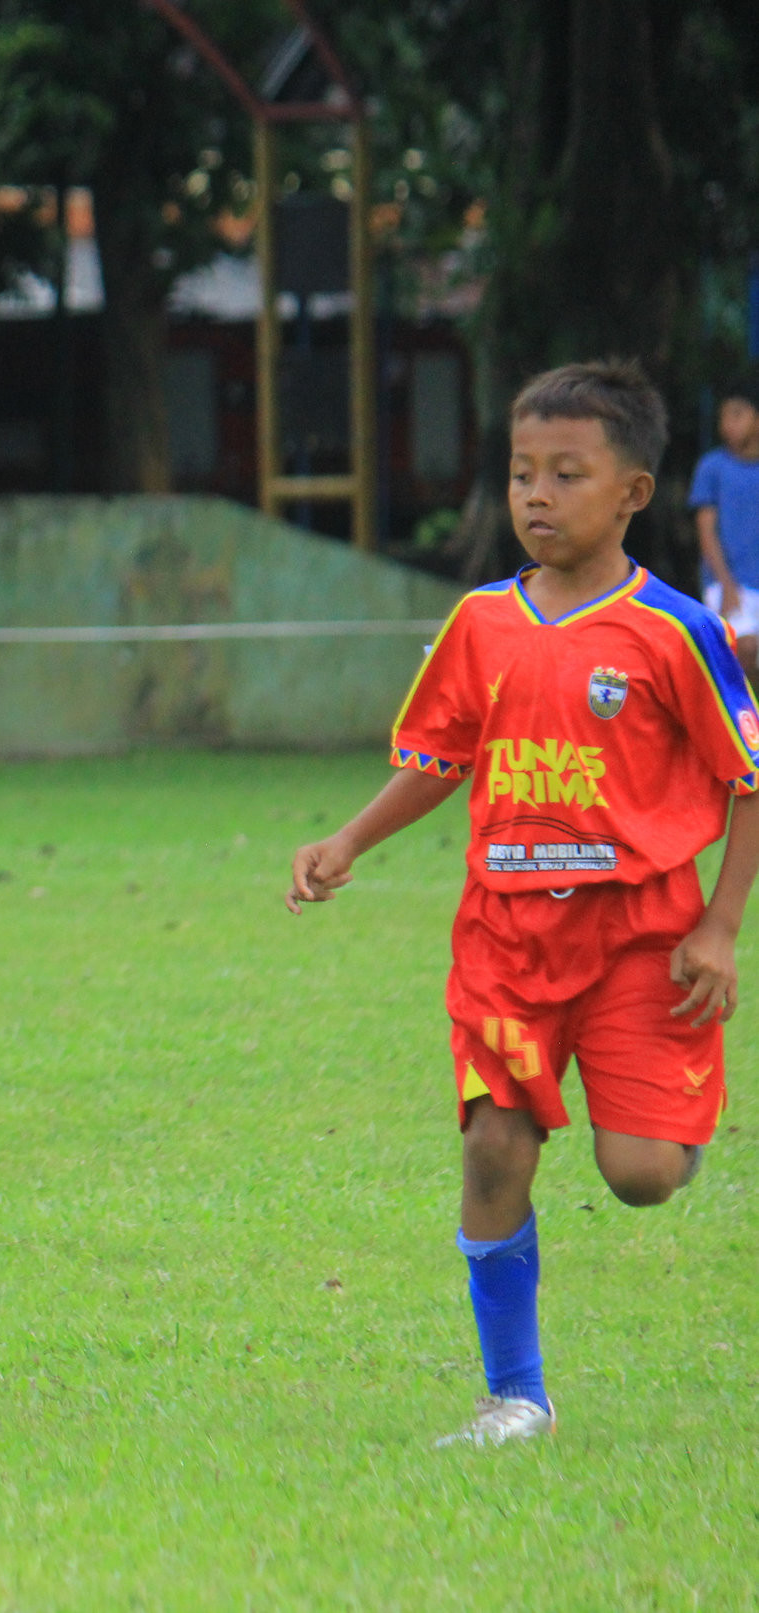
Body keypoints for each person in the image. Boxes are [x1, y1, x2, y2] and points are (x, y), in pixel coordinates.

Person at [286, 360, 759, 1449]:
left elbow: (747, 778)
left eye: (565, 473)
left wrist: (720, 927)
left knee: (638, 1176)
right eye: (519, 473)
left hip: (643, 941)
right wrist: (348, 837)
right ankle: (515, 1396)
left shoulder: (675, 631)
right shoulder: (480, 623)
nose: (535, 495)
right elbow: (440, 757)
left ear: (632, 492)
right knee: (495, 1146)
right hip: (503, 935)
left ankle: (669, 1132)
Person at [691, 374, 759, 673]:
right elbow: (706, 533)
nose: (726, 425)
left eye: (737, 415)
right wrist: (726, 586)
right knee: (743, 649)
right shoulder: (712, 467)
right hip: (727, 584)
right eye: (723, 416)